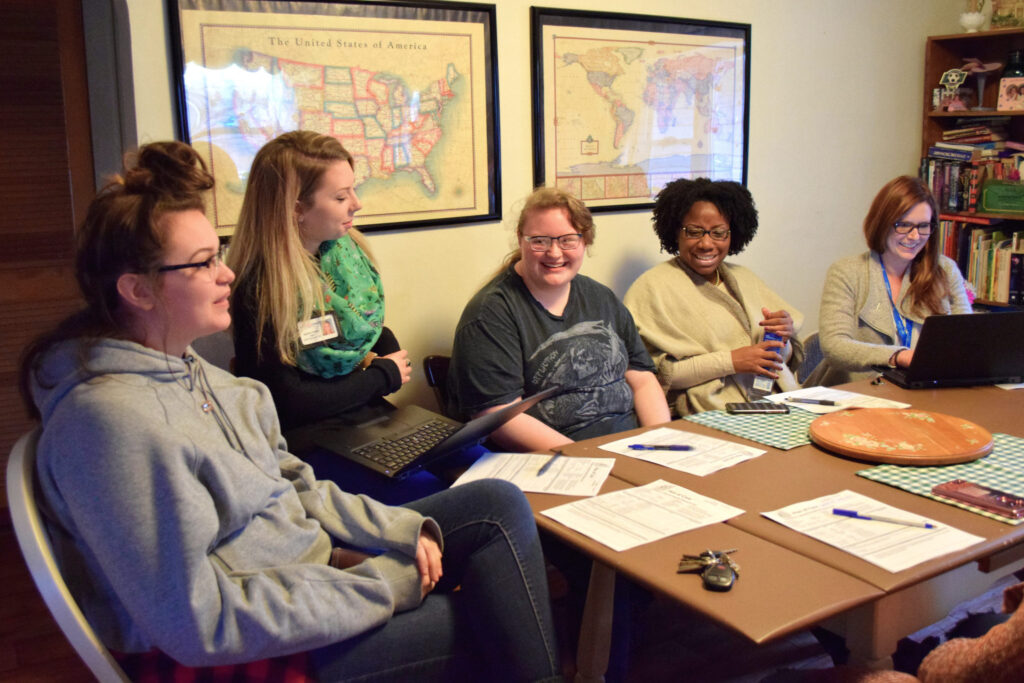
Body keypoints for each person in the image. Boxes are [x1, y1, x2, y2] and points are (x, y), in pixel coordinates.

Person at [18, 141, 561, 681]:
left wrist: (398, 533)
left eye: (219, 256)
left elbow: (296, 489)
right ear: (138, 290)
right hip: (247, 652)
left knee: (497, 503)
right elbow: (201, 623)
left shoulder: (205, 379)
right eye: (204, 263)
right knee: (490, 615)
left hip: (299, 585)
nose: (226, 274)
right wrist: (380, 584)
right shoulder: (110, 423)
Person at [447, 186, 671, 451]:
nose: (554, 253)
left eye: (567, 240)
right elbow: (500, 418)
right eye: (540, 240)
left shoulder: (600, 297)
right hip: (554, 461)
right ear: (521, 240)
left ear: (585, 241)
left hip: (631, 448)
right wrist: (590, 459)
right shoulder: (490, 315)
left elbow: (641, 378)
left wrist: (659, 443)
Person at [227, 130, 412, 435]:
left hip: (363, 419)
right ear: (297, 209)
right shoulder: (260, 288)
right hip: (306, 442)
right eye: (340, 197)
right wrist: (380, 377)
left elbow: (352, 331)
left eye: (352, 190)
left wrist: (381, 342)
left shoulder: (344, 255)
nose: (357, 204)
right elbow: (289, 399)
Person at [623, 178, 804, 416]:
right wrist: (731, 361)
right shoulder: (651, 288)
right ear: (675, 231)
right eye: (694, 232)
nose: (706, 243)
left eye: (718, 233)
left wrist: (783, 336)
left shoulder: (745, 278)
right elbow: (654, 376)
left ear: (734, 234)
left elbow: (780, 360)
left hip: (776, 405)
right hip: (711, 414)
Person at [806, 175, 971, 387]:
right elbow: (835, 347)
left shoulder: (945, 270)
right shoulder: (847, 272)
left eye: (923, 226)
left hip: (925, 392)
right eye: (903, 225)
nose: (914, 236)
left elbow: (966, 340)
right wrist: (897, 356)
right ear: (881, 222)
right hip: (858, 395)